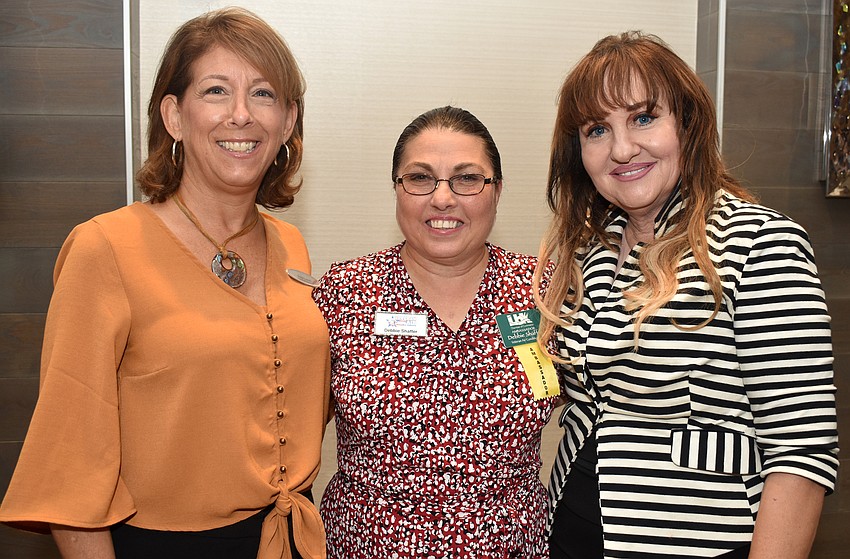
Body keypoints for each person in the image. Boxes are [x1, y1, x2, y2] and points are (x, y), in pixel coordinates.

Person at [0, 8, 330, 559]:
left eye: (264, 94)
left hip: (289, 538)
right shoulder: (104, 248)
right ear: (174, 115)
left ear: (288, 120)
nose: (241, 115)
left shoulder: (289, 245)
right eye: (216, 91)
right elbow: (69, 464)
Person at [535, 31, 840, 559]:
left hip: (701, 540)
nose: (622, 149)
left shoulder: (759, 243)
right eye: (597, 129)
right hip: (571, 528)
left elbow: (802, 455)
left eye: (643, 118)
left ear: (688, 124)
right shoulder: (587, 251)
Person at [313, 106, 560, 558]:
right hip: (367, 546)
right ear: (397, 189)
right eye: (420, 178)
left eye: (467, 178)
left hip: (512, 546)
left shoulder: (543, 291)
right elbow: (292, 426)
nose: (442, 198)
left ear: (497, 190)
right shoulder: (345, 292)